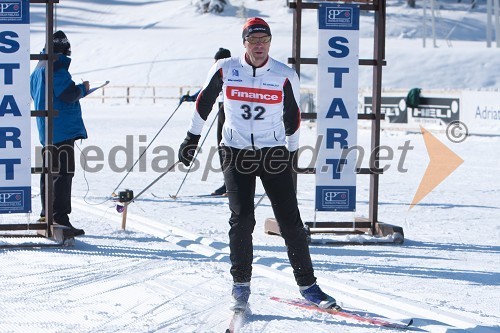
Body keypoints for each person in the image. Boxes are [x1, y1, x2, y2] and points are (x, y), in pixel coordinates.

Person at [178, 17, 337, 312]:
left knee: (290, 222)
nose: (260, 46)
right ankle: (240, 286)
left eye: (264, 40)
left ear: (270, 43)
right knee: (242, 219)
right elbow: (203, 102)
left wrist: (290, 156)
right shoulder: (226, 69)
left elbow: (293, 117)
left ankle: (308, 286)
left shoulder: (284, 74)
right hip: (235, 151)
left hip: (273, 152)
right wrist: (191, 138)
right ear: (245, 43)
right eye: (254, 41)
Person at [30, 30, 89, 237]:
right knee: (63, 174)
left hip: (46, 129)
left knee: (49, 172)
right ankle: (59, 218)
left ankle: (46, 214)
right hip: (62, 128)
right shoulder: (57, 66)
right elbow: (67, 94)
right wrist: (83, 88)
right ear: (63, 48)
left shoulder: (39, 67)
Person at [180, 47, 232, 196]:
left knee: (226, 149)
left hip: (227, 112)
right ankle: (228, 183)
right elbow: (205, 91)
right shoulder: (222, 71)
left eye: (217, 60)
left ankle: (229, 184)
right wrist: (191, 98)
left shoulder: (227, 71)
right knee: (223, 149)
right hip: (223, 110)